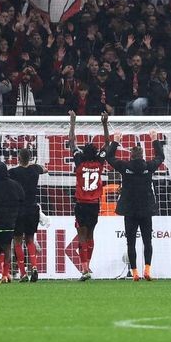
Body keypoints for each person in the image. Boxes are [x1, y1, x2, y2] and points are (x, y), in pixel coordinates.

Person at [108, 130, 164, 281]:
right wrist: (154, 140)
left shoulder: (125, 166)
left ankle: (135, 273)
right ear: (142, 156)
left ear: (131, 156)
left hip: (130, 211)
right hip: (146, 210)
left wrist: (116, 141)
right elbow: (160, 157)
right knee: (147, 241)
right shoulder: (149, 166)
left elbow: (109, 157)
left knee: (130, 242)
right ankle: (147, 270)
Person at [69, 111, 111, 280]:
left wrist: (73, 121)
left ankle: (85, 268)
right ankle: (88, 266)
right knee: (91, 235)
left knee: (81, 236)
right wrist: (105, 123)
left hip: (81, 204)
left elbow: (71, 142)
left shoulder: (79, 162)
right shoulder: (99, 163)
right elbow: (107, 144)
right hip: (94, 204)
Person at [9, 147, 46, 282]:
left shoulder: (12, 172)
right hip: (32, 208)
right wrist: (32, 165)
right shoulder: (35, 169)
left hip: (19, 210)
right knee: (30, 239)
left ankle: (23, 273)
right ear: (30, 158)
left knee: (17, 241)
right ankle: (34, 267)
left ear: (18, 158)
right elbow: (45, 169)